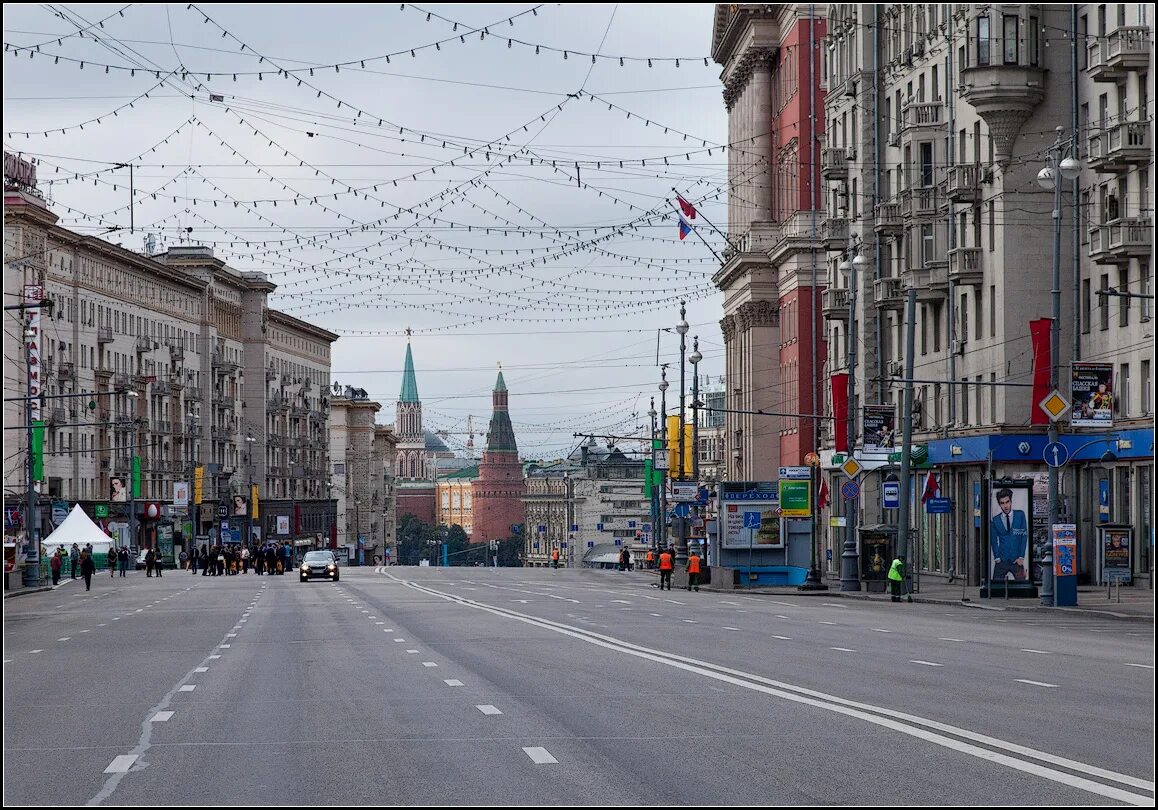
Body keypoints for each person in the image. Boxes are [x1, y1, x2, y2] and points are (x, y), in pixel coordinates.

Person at [989, 488, 1028, 582]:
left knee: (1022, 585)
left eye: (1007, 502)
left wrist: (1021, 557)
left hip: (1016, 560)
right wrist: (997, 557)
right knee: (996, 586)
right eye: (1002, 503)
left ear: (1011, 501)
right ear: (999, 504)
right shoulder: (995, 520)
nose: (1005, 505)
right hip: (1002, 559)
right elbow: (993, 540)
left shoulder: (1020, 515)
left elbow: (1024, 536)